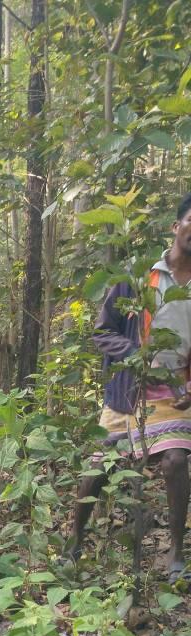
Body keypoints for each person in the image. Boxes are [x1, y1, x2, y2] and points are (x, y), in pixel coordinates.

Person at [69, 193, 191, 580]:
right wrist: (137, 355)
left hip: (174, 391)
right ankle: (74, 543)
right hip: (128, 388)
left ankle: (176, 555)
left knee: (176, 461)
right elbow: (103, 332)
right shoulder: (138, 279)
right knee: (100, 466)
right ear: (176, 226)